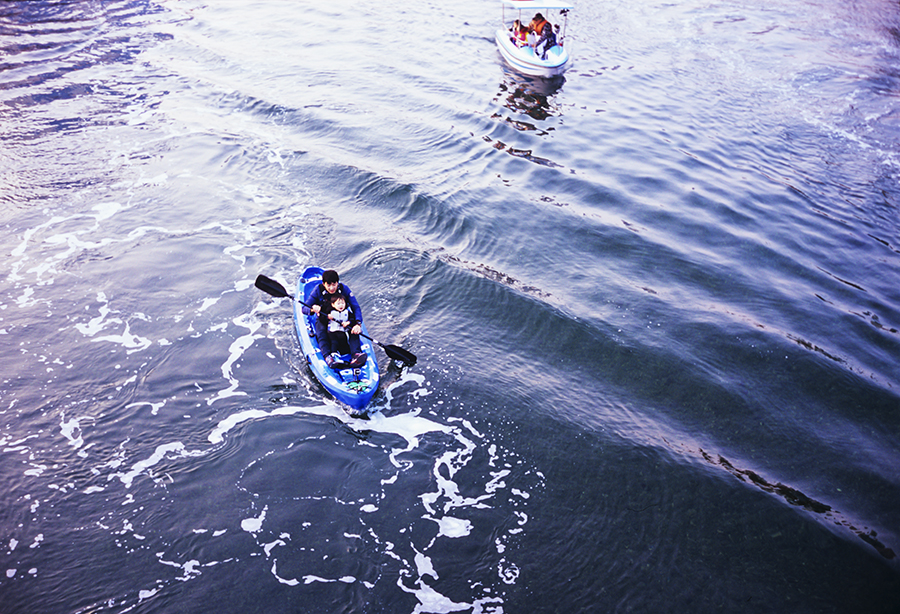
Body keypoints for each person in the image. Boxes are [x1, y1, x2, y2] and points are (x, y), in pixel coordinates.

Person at [302, 269, 365, 368]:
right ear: (324, 284)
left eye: (334, 284)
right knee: (321, 332)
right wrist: (313, 309)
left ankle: (356, 354)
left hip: (342, 317)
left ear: (337, 283)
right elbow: (304, 308)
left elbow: (356, 307)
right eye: (328, 285)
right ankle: (328, 356)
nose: (331, 288)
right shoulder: (318, 290)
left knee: (353, 330)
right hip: (325, 318)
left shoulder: (344, 289)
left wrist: (358, 324)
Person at [326, 294, 366, 368]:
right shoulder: (330, 312)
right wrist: (327, 317)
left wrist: (348, 322)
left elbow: (353, 319)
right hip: (333, 334)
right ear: (333, 305)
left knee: (352, 337)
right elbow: (322, 319)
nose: (341, 305)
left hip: (343, 333)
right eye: (338, 303)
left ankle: (355, 355)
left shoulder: (347, 312)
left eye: (342, 303)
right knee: (334, 343)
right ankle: (334, 356)